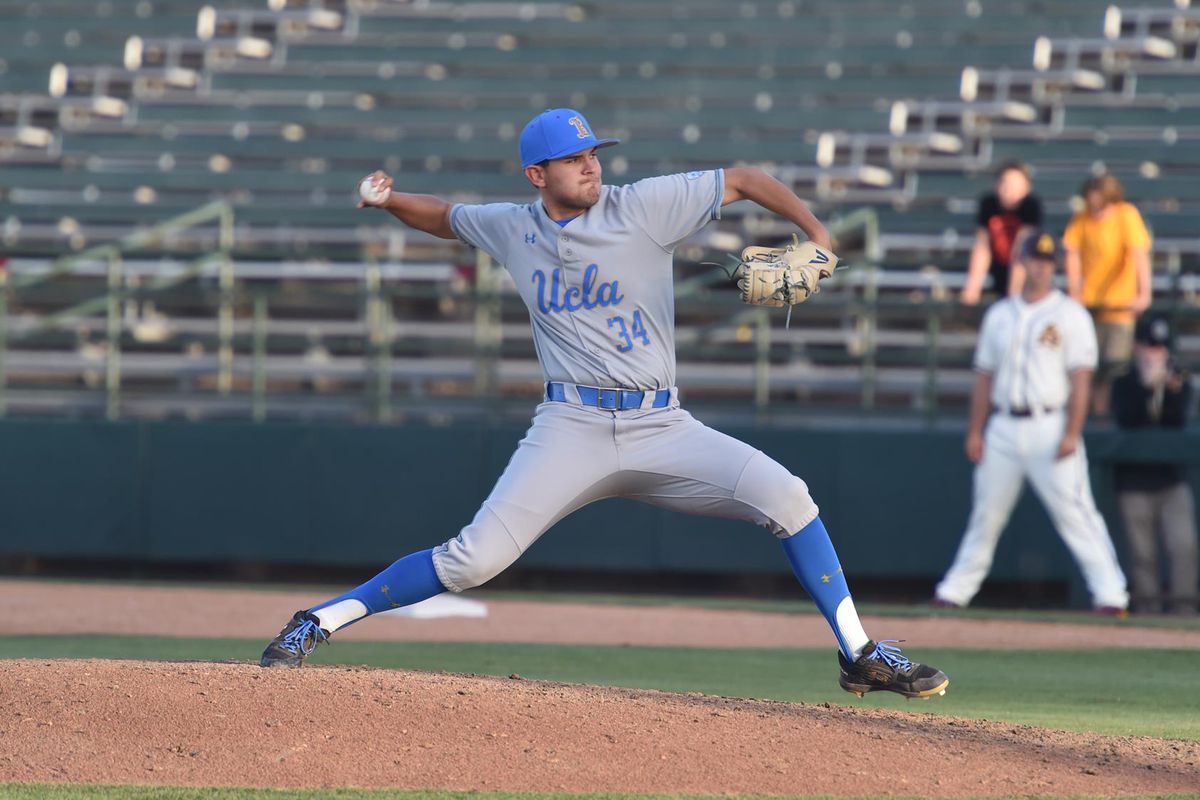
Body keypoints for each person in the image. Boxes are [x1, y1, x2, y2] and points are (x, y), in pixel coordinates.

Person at [260, 108, 949, 699]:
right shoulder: (512, 227)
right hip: (572, 426)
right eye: (572, 158)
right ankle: (319, 619)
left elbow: (743, 180)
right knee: (472, 562)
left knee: (790, 498)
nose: (590, 166)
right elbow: (444, 218)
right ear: (538, 175)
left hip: (662, 423)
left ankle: (858, 654)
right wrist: (388, 201)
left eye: (593, 153)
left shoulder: (643, 206)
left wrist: (817, 236)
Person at [932, 231, 1130, 614]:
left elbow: (1082, 378)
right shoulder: (1001, 313)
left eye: (1047, 260)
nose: (1040, 266)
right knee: (987, 513)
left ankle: (1111, 594)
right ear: (1022, 261)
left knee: (1076, 513)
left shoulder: (1069, 314)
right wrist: (976, 430)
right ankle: (955, 591)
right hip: (1004, 425)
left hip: (1050, 423)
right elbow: (984, 376)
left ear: (1054, 265)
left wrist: (1073, 431)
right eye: (1034, 259)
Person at [1111, 315, 1198, 615]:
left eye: (1159, 348)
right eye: (1148, 346)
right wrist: (1147, 389)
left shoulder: (1179, 381)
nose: (1153, 354)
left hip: (1171, 481)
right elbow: (1127, 419)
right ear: (1136, 347)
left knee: (1183, 547)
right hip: (1134, 483)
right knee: (1142, 555)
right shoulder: (1124, 381)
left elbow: (1179, 421)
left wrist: (1166, 390)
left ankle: (1185, 610)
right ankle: (1147, 614)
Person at [1063, 174, 1153, 417]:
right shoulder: (1082, 219)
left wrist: (1143, 293)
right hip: (1089, 305)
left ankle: (1106, 418)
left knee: (1114, 368)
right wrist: (1075, 292)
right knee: (1087, 367)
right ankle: (1089, 417)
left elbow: (1138, 254)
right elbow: (1071, 252)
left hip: (1120, 306)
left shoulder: (1126, 215)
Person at [960, 161, 1042, 306]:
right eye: (1005, 183)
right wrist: (972, 288)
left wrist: (1014, 294)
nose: (1008, 189)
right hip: (997, 268)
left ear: (1026, 187)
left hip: (1025, 274)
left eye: (1014, 185)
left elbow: (1022, 249)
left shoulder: (1030, 206)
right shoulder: (989, 204)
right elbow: (982, 247)